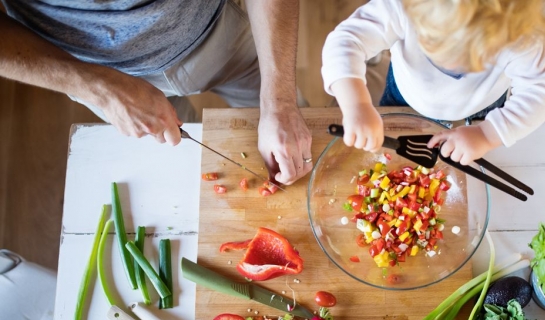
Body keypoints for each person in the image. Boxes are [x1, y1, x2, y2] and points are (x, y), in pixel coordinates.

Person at [0, 0, 312, 185]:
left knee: (295, 142)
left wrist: (279, 102)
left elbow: (281, 106)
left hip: (218, 32)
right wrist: (102, 90)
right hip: (96, 71)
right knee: (183, 170)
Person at [322, 0, 545, 165]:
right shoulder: (403, 5)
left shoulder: (522, 33)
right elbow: (346, 40)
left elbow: (539, 93)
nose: (454, 67)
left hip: (483, 106)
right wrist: (357, 105)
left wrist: (487, 134)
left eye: (476, 58)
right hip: (406, 95)